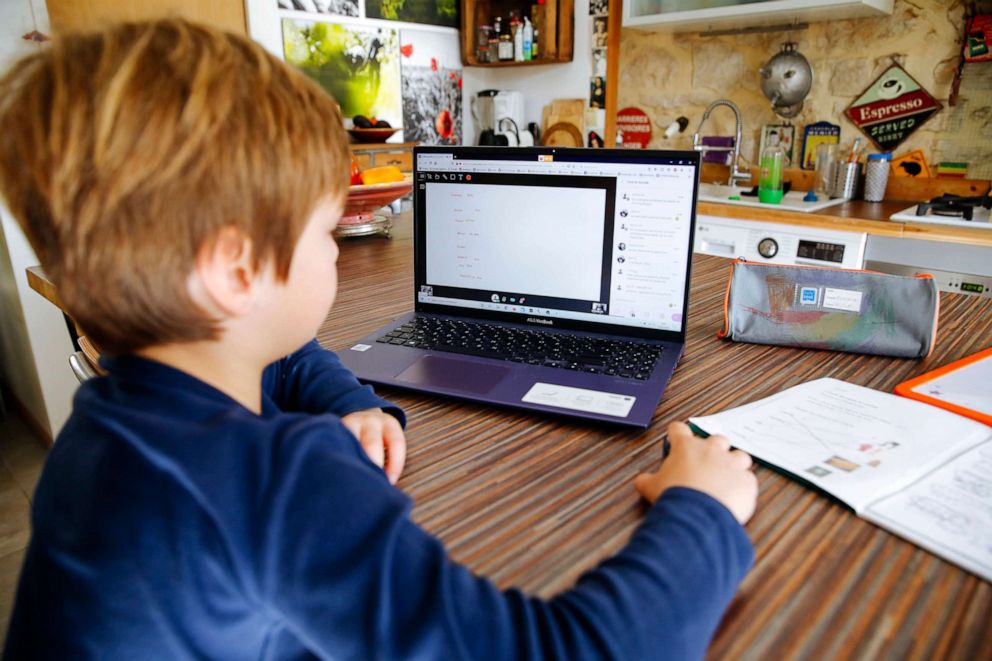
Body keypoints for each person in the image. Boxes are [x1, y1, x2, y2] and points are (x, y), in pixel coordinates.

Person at [0, 19, 757, 659]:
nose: (336, 248)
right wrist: (704, 508)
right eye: (325, 229)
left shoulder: (99, 431)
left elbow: (283, 357)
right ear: (234, 268)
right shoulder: (278, 484)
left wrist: (353, 407)